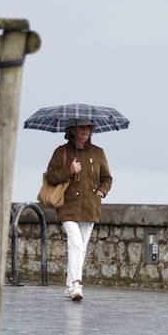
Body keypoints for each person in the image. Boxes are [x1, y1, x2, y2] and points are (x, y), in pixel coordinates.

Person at [43, 123, 112, 301]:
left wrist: (102, 191)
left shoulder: (98, 152)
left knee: (80, 249)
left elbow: (107, 178)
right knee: (76, 243)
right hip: (68, 207)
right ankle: (76, 285)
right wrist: (69, 170)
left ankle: (68, 286)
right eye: (81, 129)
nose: (85, 133)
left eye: (88, 129)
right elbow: (50, 176)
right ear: (72, 131)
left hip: (90, 207)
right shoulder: (61, 152)